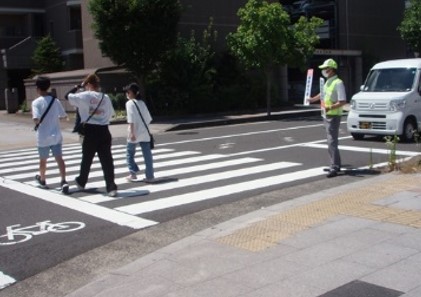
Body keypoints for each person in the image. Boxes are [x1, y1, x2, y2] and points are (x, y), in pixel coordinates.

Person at [65, 74, 118, 196]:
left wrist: (77, 87)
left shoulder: (85, 95)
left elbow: (67, 96)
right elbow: (111, 114)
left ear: (88, 84)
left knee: (87, 158)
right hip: (104, 130)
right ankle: (111, 186)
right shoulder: (106, 97)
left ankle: (81, 181)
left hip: (90, 130)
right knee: (107, 160)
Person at [307, 58, 347, 178]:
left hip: (333, 115)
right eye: (324, 69)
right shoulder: (328, 81)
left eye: (326, 68)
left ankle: (334, 166)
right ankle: (335, 164)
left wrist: (330, 107)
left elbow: (343, 101)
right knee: (330, 141)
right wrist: (312, 99)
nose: (324, 70)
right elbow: (322, 93)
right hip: (326, 114)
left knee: (332, 141)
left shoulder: (338, 82)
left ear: (332, 69)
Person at [32, 76, 69, 193]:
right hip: (56, 135)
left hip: (43, 137)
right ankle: (63, 180)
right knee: (59, 159)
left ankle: (43, 180)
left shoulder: (36, 102)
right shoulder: (55, 100)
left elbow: (36, 119)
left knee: (43, 160)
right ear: (48, 87)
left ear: (37, 88)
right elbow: (63, 116)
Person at [124, 82, 155, 182]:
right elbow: (148, 119)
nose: (127, 94)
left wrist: (132, 132)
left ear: (132, 93)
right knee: (147, 155)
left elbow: (131, 119)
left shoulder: (129, 103)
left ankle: (133, 173)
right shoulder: (142, 103)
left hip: (134, 132)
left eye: (128, 92)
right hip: (144, 132)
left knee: (130, 153)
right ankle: (150, 176)